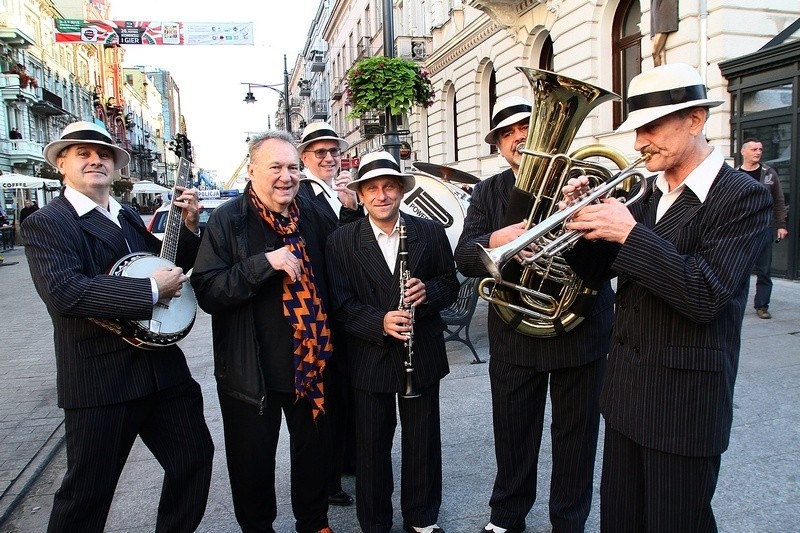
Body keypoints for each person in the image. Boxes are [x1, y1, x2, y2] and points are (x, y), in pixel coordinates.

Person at [560, 63, 772, 531]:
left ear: (695, 120)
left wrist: (629, 234)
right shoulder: (646, 194)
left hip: (684, 409)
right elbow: (597, 277)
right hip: (624, 399)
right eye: (637, 130)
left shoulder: (742, 196)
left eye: (650, 128)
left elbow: (706, 294)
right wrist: (583, 224)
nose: (638, 144)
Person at [22, 120, 214, 532]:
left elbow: (161, 266)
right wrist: (148, 291)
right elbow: (66, 293)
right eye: (83, 154)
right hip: (100, 378)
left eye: (104, 154)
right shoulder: (49, 222)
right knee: (87, 494)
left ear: (114, 165)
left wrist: (190, 227)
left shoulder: (124, 214)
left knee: (194, 460)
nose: (96, 160)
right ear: (61, 164)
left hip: (162, 371)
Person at [454, 96, 613, 533]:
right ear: (499, 146)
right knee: (512, 435)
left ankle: (569, 521)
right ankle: (506, 517)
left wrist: (578, 219)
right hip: (515, 333)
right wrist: (496, 238)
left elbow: (609, 258)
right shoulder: (489, 191)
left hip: (579, 330)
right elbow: (466, 257)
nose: (519, 137)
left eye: (527, 126)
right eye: (507, 133)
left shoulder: (583, 180)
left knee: (577, 440)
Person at [191, 130, 336, 533]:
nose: (286, 176)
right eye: (275, 167)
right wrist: (264, 264)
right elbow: (208, 291)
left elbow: (340, 272)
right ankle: (258, 527)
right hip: (251, 372)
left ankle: (314, 521)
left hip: (310, 363)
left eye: (292, 167)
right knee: (252, 461)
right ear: (252, 170)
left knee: (313, 453)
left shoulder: (314, 214)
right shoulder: (229, 220)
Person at [325, 151, 458, 533]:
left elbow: (450, 284)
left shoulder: (429, 232)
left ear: (400, 190)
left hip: (423, 353)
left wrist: (427, 293)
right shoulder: (341, 241)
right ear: (361, 196)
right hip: (370, 357)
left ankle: (421, 518)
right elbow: (341, 305)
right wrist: (380, 322)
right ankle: (375, 522)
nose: (381, 195)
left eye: (388, 187)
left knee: (423, 443)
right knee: (370, 449)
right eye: (372, 189)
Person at [296, 121, 362, 506]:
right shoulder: (303, 195)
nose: (328, 158)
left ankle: (349, 460)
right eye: (319, 152)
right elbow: (334, 244)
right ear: (305, 158)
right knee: (328, 397)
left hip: (349, 308)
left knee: (349, 391)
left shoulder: (343, 192)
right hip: (323, 310)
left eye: (333, 151)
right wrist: (350, 213)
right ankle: (329, 476)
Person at [736, 137, 788, 319]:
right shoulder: (734, 174)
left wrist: (781, 225)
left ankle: (762, 306)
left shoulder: (769, 173)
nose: (758, 152)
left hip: (764, 228)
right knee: (738, 269)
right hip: (741, 231)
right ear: (743, 152)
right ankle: (735, 304)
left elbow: (779, 201)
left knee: (764, 270)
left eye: (760, 149)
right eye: (754, 149)